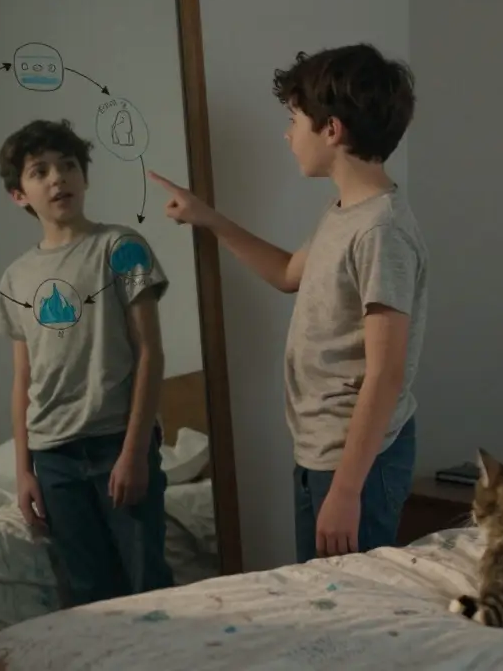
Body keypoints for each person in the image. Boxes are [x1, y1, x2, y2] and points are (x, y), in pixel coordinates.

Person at [148, 43, 426, 562]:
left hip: (357, 460)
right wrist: (207, 217)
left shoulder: (381, 231)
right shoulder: (345, 212)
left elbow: (386, 374)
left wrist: (345, 491)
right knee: (320, 597)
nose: (287, 133)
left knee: (347, 608)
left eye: (294, 119)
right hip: (323, 449)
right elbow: (286, 273)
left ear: (332, 129)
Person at [0, 118, 174, 605]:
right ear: (20, 195)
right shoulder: (14, 277)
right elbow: (22, 379)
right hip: (54, 457)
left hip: (117, 441)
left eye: (68, 166)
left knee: (147, 585)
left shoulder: (121, 247)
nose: (58, 178)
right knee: (90, 594)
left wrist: (135, 452)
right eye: (40, 171)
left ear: (85, 177)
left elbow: (150, 353)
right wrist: (24, 468)